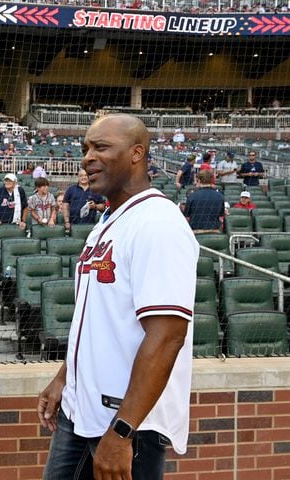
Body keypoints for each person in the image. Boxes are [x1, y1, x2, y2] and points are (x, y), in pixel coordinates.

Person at [37, 114, 198, 480]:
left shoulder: (158, 223)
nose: (87, 158)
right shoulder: (109, 223)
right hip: (81, 411)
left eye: (101, 147)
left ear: (137, 153)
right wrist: (65, 377)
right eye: (85, 149)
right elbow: (97, 320)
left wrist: (122, 431)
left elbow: (167, 335)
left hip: (126, 423)